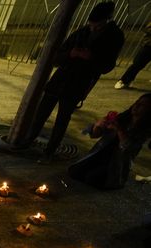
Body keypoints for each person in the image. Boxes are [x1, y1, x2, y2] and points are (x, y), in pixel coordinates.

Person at [26, 1, 124, 163]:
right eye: (91, 25)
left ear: (107, 21)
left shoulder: (114, 37)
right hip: (60, 79)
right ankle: (28, 140)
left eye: (97, 26)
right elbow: (58, 56)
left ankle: (49, 152)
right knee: (41, 113)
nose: (92, 29)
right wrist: (71, 54)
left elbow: (107, 65)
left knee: (62, 119)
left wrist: (91, 58)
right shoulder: (82, 33)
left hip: (78, 82)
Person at [68, 94, 151, 190]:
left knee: (91, 179)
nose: (136, 106)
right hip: (101, 154)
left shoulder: (144, 131)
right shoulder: (123, 118)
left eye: (142, 105)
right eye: (137, 102)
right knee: (74, 172)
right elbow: (95, 135)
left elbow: (127, 147)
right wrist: (98, 126)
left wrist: (119, 130)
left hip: (116, 163)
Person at [115, 22, 150, 89]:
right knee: (138, 63)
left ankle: (126, 81)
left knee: (138, 64)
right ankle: (123, 81)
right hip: (149, 46)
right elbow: (148, 29)